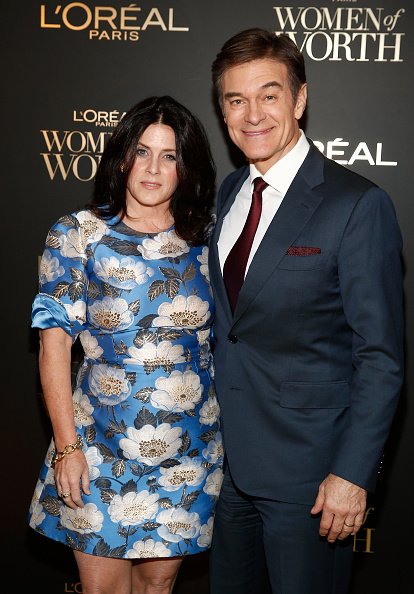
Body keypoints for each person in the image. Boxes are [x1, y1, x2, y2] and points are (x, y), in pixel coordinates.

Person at [208, 28, 404, 594]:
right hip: (228, 471)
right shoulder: (229, 194)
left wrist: (352, 473)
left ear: (299, 99)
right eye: (235, 100)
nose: (252, 115)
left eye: (269, 95)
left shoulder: (357, 204)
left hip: (312, 478)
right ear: (222, 110)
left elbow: (381, 355)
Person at [28, 95, 224, 594]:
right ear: (121, 157)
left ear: (187, 167)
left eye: (169, 155)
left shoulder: (207, 239)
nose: (153, 168)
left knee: (158, 586)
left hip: (190, 448)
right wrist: (67, 448)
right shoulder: (78, 235)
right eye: (142, 151)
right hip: (98, 445)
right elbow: (54, 348)